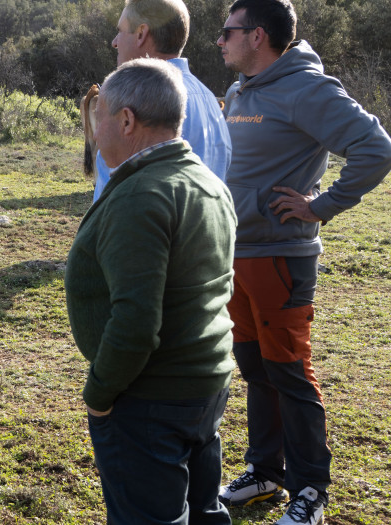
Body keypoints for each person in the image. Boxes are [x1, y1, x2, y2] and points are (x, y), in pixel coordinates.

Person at [214, 1, 391, 524]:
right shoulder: (239, 90)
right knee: (255, 367)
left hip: (281, 257)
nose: (220, 40)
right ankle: (266, 472)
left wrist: (320, 206)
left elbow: (375, 149)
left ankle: (310, 488)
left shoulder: (309, 88)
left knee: (289, 371)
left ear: (258, 36)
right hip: (234, 253)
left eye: (228, 31)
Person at [66, 58, 237, 525]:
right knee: (202, 512)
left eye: (98, 116)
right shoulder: (206, 181)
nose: (94, 130)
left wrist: (99, 395)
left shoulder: (143, 196)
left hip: (149, 400)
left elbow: (136, 323)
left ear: (126, 120)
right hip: (204, 387)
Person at [92, 0, 231, 202]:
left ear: (141, 34)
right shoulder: (210, 100)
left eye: (120, 31)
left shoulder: (135, 101)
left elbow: (113, 203)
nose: (114, 42)